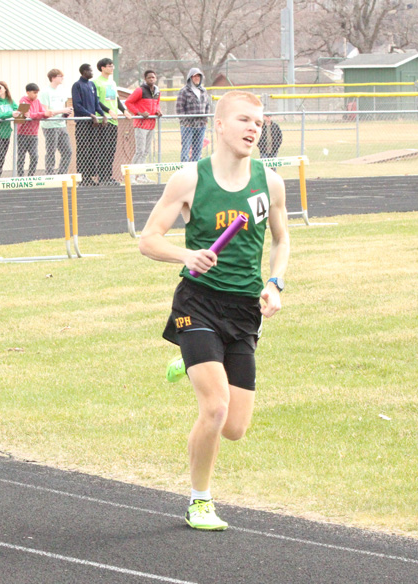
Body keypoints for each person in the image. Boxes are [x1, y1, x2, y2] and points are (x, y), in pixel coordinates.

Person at [138, 91, 290, 530]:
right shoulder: (189, 180)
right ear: (219, 126)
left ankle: (190, 361)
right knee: (216, 408)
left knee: (235, 428)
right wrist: (186, 256)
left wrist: (275, 283)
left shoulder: (270, 182)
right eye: (244, 120)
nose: (253, 129)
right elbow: (148, 239)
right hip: (198, 303)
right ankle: (199, 500)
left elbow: (282, 239)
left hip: (245, 309)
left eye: (258, 123)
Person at [93, 58, 132, 186]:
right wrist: (108, 111)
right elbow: (96, 101)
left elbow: (116, 99)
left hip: (114, 121)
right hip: (103, 120)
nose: (112, 68)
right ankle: (102, 178)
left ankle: (108, 177)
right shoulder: (96, 82)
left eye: (112, 66)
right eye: (109, 66)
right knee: (103, 150)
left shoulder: (112, 82)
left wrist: (124, 110)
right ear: (102, 68)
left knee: (111, 150)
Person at [71, 63, 109, 187]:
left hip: (93, 125)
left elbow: (96, 103)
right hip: (83, 123)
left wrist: (102, 114)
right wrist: (90, 115)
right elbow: (77, 105)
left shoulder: (91, 85)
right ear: (84, 71)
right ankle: (83, 177)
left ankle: (90, 176)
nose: (92, 73)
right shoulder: (77, 85)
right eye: (90, 71)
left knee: (92, 150)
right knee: (83, 150)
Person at [125, 70, 162, 183]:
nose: (151, 79)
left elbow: (157, 104)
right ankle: (131, 176)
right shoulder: (140, 90)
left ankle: (142, 175)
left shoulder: (157, 91)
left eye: (153, 77)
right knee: (139, 151)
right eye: (149, 77)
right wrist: (139, 113)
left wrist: (158, 111)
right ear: (145, 79)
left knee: (146, 151)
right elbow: (128, 102)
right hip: (141, 124)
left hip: (151, 125)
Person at [39, 69, 73, 176]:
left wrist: (66, 111)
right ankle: (50, 174)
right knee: (51, 151)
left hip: (61, 124)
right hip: (50, 125)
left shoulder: (61, 91)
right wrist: (62, 111)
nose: (62, 78)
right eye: (60, 76)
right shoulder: (45, 92)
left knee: (67, 151)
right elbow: (45, 111)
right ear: (53, 78)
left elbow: (62, 106)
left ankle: (61, 174)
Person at [175, 68, 212, 162]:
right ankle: (184, 170)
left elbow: (207, 105)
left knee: (198, 150)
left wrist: (205, 119)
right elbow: (179, 108)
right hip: (188, 126)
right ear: (190, 77)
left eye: (198, 76)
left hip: (201, 125)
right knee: (186, 150)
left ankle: (195, 171)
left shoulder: (203, 91)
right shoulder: (184, 91)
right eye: (194, 76)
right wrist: (185, 122)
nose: (196, 78)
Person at [0, 81, 21, 178]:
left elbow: (17, 110)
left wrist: (22, 113)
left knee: (2, 157)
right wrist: (11, 114)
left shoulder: (10, 101)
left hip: (6, 134)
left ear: (5, 89)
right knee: (0, 156)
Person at [16, 83, 51, 177]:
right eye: (34, 93)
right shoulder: (23, 101)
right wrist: (36, 114)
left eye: (37, 93)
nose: (36, 95)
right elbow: (26, 114)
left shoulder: (37, 101)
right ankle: (20, 176)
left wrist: (34, 115)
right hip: (22, 133)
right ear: (28, 92)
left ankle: (31, 175)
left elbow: (43, 113)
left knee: (34, 156)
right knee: (21, 156)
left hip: (34, 134)